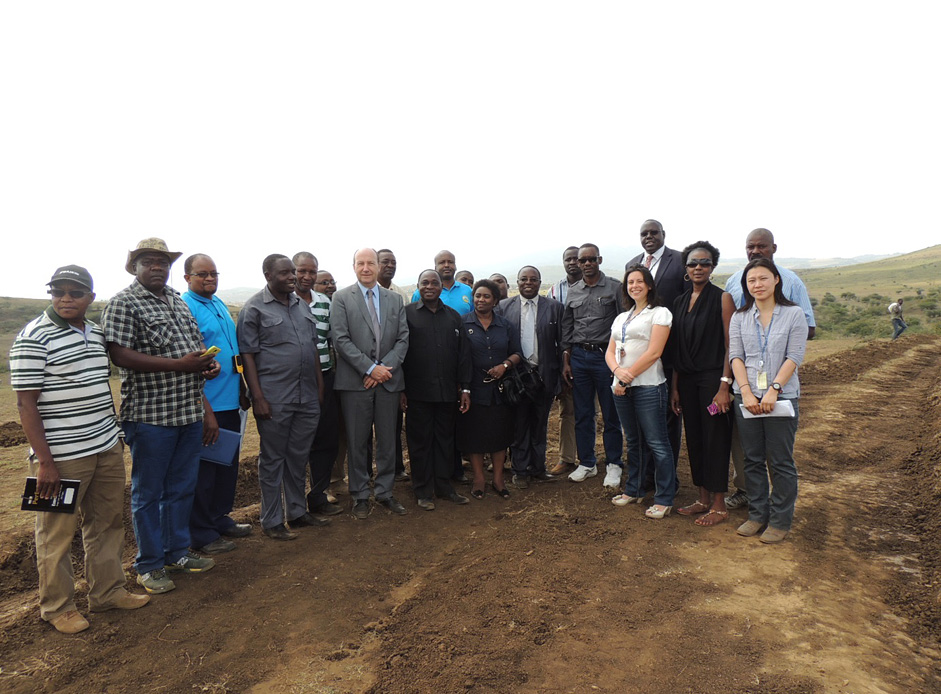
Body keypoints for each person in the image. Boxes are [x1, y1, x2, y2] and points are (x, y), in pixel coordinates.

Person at [11, 266, 150, 633]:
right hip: (60, 457)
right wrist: (44, 462)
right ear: (51, 294)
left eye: (75, 292)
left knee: (106, 524)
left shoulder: (96, 332)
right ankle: (58, 608)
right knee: (55, 534)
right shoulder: (32, 337)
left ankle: (108, 592)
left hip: (105, 447)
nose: (66, 298)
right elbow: (26, 405)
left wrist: (115, 438)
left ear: (90, 297)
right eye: (59, 291)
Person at [102, 238, 219, 595]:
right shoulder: (124, 303)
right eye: (148, 261)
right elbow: (119, 355)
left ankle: (177, 553)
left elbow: (191, 355)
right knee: (148, 493)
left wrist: (205, 367)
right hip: (151, 416)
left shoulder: (176, 302)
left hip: (186, 411)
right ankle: (149, 564)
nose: (157, 267)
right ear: (134, 267)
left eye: (162, 262)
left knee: (181, 488)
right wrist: (179, 365)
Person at [723, 228, 816, 511]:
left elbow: (803, 338)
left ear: (773, 249)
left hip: (780, 384)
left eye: (761, 246)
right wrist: (743, 388)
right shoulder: (733, 284)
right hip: (745, 384)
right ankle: (751, 500)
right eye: (750, 247)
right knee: (747, 452)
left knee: (779, 456)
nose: (755, 251)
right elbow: (734, 346)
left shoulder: (791, 285)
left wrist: (775, 331)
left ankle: (780, 512)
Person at [238, 254, 327, 540]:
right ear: (268, 275)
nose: (292, 277)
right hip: (275, 398)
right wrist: (258, 397)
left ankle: (297, 512)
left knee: (298, 456)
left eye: (293, 272)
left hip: (307, 396)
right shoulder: (254, 308)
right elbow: (247, 356)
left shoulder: (301, 305)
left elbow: (312, 349)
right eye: (285, 273)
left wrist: (319, 385)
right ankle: (272, 519)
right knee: (273, 458)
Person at [729, 258, 807, 543]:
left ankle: (780, 520)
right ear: (745, 285)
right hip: (746, 396)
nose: (757, 285)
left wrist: (774, 389)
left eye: (763, 278)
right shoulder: (740, 317)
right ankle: (757, 514)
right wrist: (747, 391)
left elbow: (794, 356)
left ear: (776, 280)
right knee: (751, 459)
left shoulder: (793, 314)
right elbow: (735, 356)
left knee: (780, 461)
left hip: (782, 396)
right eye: (751, 280)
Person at [181, 255, 253, 554]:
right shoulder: (186, 307)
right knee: (206, 470)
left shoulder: (218, 303)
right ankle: (201, 532)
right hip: (207, 403)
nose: (209, 279)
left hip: (230, 398)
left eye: (213, 274)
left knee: (226, 466)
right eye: (202, 274)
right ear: (187, 277)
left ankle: (220, 518)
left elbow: (232, 352)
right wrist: (204, 408)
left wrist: (242, 386)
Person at [332, 248, 410, 519]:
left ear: (378, 267)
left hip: (388, 381)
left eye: (370, 263)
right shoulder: (341, 298)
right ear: (353, 266)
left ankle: (385, 492)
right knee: (357, 441)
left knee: (388, 440)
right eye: (360, 263)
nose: (366, 268)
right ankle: (360, 495)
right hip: (356, 383)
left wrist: (382, 369)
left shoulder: (394, 299)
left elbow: (403, 338)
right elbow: (340, 340)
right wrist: (369, 368)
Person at [669, 242, 735, 527]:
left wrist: (724, 386)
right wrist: (674, 387)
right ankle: (702, 498)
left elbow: (731, 344)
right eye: (693, 263)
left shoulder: (723, 299)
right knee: (694, 437)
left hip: (712, 381)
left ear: (713, 267)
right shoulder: (679, 302)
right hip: (686, 380)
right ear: (686, 267)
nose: (698, 268)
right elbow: (675, 348)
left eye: (705, 263)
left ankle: (719, 505)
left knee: (715, 438)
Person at [606, 266, 676, 519]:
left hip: (648, 386)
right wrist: (617, 373)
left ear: (649, 285)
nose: (634, 285)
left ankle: (664, 497)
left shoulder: (660, 314)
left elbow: (654, 352)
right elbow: (610, 351)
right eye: (630, 282)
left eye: (639, 281)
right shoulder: (621, 318)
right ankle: (633, 489)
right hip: (621, 387)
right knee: (633, 441)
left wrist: (628, 375)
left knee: (657, 443)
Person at [402, 270, 472, 509]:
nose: (430, 286)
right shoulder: (407, 315)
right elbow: (400, 355)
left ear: (441, 286)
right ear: (418, 286)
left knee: (444, 440)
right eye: (425, 283)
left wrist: (465, 389)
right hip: (417, 392)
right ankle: (422, 490)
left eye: (434, 283)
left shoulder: (453, 317)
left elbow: (463, 355)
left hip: (447, 392)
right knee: (420, 441)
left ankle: (443, 486)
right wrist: (401, 389)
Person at [561, 244, 624, 488]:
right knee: (583, 414)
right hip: (579, 357)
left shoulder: (615, 287)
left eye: (591, 259)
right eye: (582, 260)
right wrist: (566, 360)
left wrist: (619, 361)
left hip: (605, 358)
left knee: (611, 414)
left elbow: (622, 324)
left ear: (599, 259)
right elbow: (567, 328)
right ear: (577, 263)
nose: (586, 264)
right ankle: (586, 462)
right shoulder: (573, 290)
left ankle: (614, 464)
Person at [627, 219, 686, 479]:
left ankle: (667, 475)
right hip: (639, 355)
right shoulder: (633, 264)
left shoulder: (681, 260)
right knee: (641, 419)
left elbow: (685, 305)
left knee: (668, 417)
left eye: (654, 232)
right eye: (644, 233)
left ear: (664, 234)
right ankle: (645, 475)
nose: (649, 236)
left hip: (670, 350)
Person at [496, 266, 564, 488]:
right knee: (519, 425)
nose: (528, 283)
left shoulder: (554, 308)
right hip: (516, 378)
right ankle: (520, 470)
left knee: (539, 425)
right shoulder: (504, 307)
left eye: (533, 279)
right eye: (523, 279)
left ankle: (538, 468)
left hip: (544, 375)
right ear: (516, 282)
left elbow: (561, 343)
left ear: (539, 282)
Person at [458, 279, 523, 499]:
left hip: (501, 390)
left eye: (486, 296)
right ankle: (478, 479)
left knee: (500, 434)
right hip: (472, 389)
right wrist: (463, 388)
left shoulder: (505, 325)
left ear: (495, 300)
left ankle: (497, 479)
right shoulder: (462, 323)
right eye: (477, 296)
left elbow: (517, 353)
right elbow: (457, 357)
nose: (481, 300)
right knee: (474, 435)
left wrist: (504, 366)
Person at [293, 252, 343, 517]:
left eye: (312, 272)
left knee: (326, 438)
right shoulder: (284, 301)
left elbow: (334, 340)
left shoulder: (325, 302)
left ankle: (319, 495)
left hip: (324, 378)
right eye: (302, 271)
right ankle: (294, 503)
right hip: (293, 382)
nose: (307, 276)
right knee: (298, 442)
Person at [546, 246, 581, 477]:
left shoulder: (606, 287)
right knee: (567, 410)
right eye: (568, 259)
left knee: (603, 411)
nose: (573, 263)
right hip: (566, 357)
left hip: (595, 355)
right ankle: (567, 458)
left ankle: (608, 459)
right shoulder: (554, 291)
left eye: (577, 259)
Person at [377, 248, 410, 480]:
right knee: (365, 431)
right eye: (385, 262)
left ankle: (397, 469)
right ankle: (369, 473)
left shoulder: (400, 295)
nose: (390, 265)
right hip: (365, 372)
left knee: (393, 425)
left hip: (394, 369)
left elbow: (403, 335)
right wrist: (371, 369)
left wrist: (389, 365)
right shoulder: (357, 294)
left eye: (393, 262)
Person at [410, 250, 473, 315]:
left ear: (455, 266)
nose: (446, 265)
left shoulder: (468, 290)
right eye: (442, 262)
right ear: (435, 268)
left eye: (450, 262)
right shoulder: (421, 293)